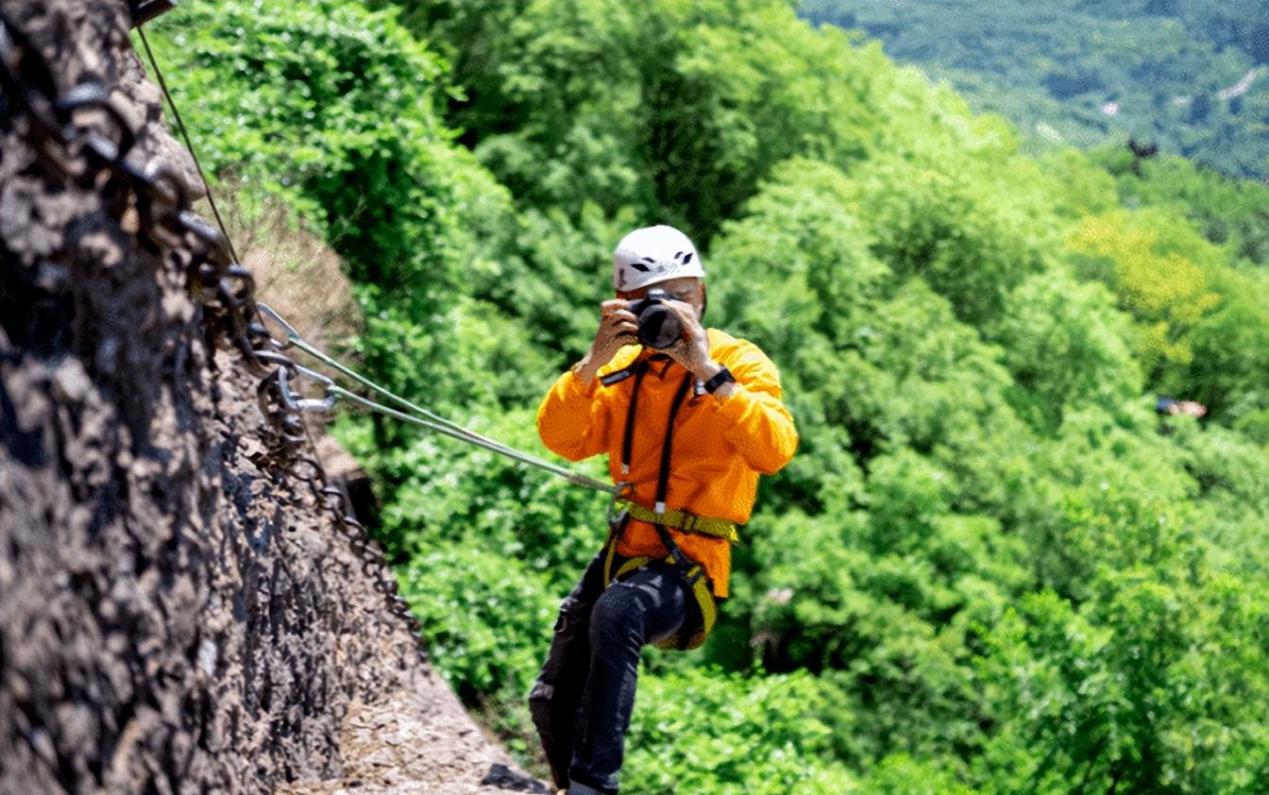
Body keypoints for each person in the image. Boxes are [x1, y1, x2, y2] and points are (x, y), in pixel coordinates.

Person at [529, 225, 798, 794]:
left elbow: (774, 450)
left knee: (620, 612)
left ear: (702, 295)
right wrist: (590, 362)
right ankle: (566, 784)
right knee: (551, 699)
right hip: (625, 548)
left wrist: (709, 375)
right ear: (625, 308)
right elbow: (562, 438)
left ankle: (593, 787)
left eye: (685, 296)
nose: (675, 312)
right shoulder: (621, 368)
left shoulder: (737, 363)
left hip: (690, 561)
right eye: (658, 301)